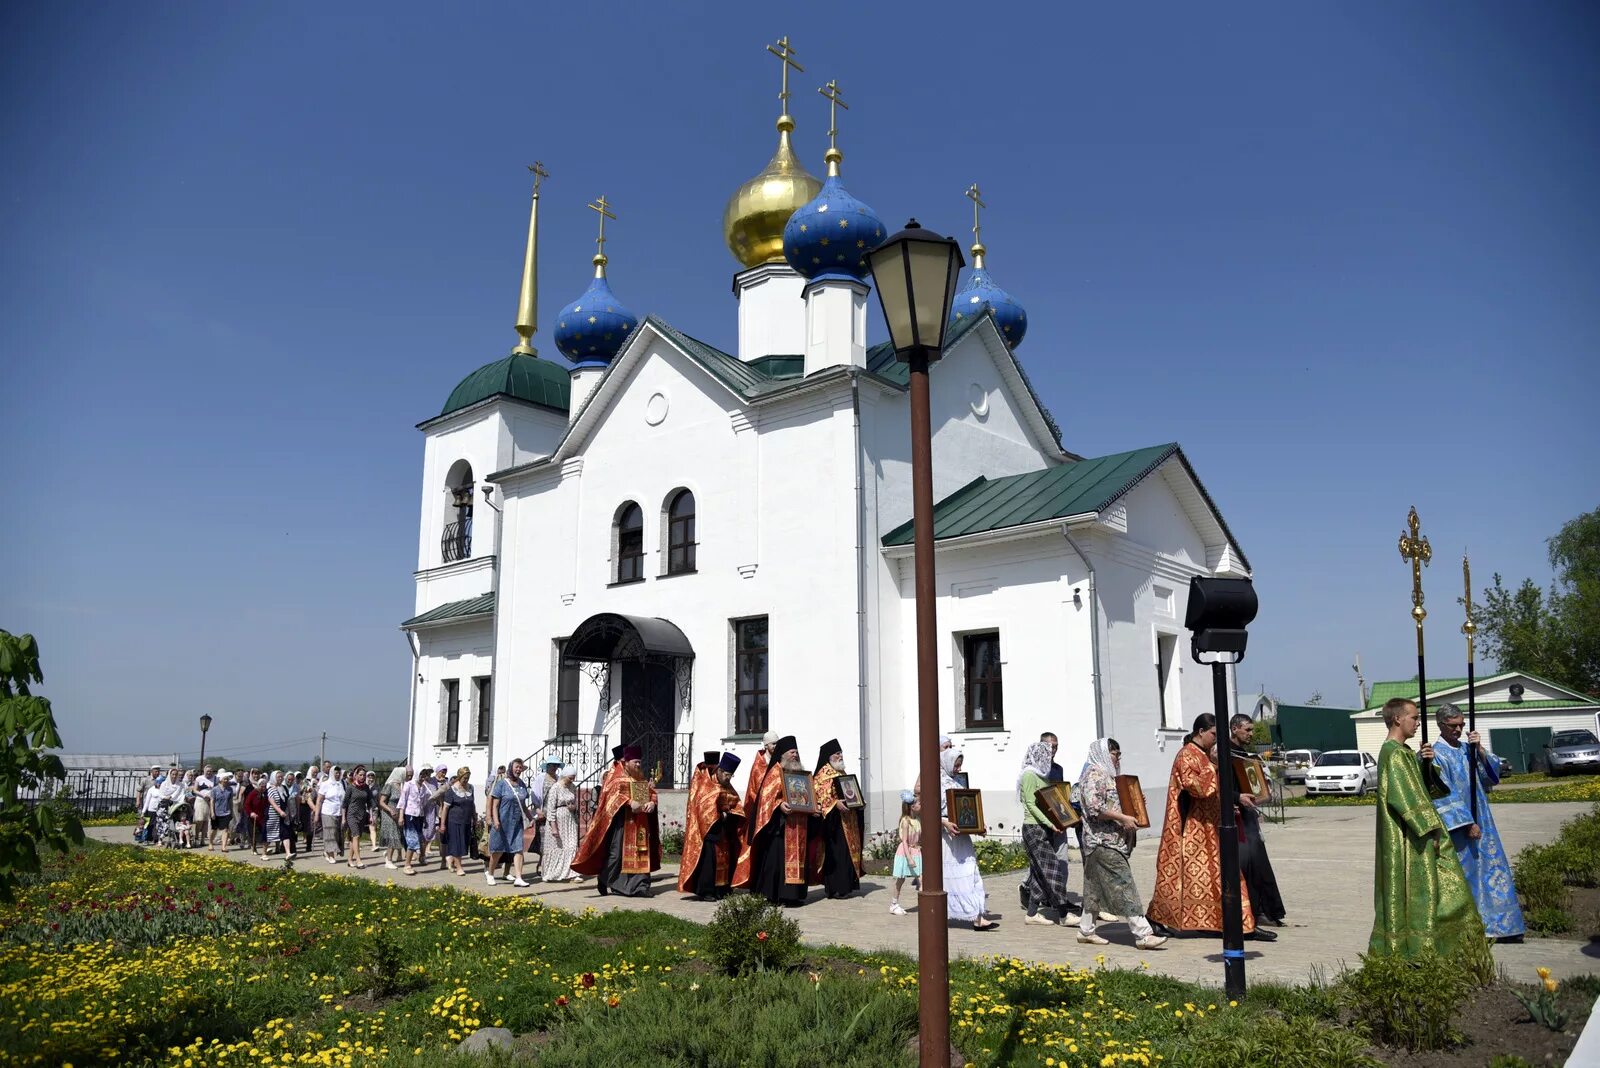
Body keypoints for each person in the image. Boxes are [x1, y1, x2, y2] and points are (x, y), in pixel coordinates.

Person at [1370, 698, 1485, 958]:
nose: (1418, 722)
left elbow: (1425, 788)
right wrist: (1432, 828)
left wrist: (1426, 765)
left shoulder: (1404, 752)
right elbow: (1403, 797)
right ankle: (1426, 946)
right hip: (1412, 837)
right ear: (1398, 719)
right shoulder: (1394, 753)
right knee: (1440, 890)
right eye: (1414, 717)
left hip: (1416, 834)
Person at [1147, 714, 1271, 941]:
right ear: (1201, 731)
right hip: (1192, 830)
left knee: (1224, 875)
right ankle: (1157, 919)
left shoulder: (1202, 755)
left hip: (1211, 828)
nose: (1215, 740)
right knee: (1186, 878)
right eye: (1213, 734)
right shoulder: (1186, 755)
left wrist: (1234, 799)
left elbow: (1216, 789)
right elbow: (1199, 790)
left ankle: (1243, 925)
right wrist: (1213, 765)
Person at [1429, 704, 1525, 941]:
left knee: (1492, 870)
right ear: (1441, 725)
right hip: (1462, 827)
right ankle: (1472, 926)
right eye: (1453, 726)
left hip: (1483, 819)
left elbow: (1490, 776)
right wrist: (1467, 823)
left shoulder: (1466, 749)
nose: (1459, 730)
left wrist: (1479, 749)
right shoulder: (1437, 754)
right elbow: (1443, 794)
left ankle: (1501, 925)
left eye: (1462, 724)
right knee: (1468, 873)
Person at [1074, 738, 1168, 949]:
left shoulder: (1109, 776)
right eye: (1114, 754)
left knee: (1094, 889)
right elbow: (1094, 808)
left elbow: (1116, 801)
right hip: (1102, 841)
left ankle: (1086, 931)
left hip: (1111, 841)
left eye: (1118, 754)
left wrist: (1135, 802)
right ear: (1104, 754)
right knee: (1124, 883)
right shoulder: (1093, 775)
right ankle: (1143, 934)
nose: (1117, 758)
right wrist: (1123, 818)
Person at [573, 745, 660, 897]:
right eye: (635, 762)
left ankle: (640, 887)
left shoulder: (639, 776)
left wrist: (651, 803)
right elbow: (612, 795)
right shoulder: (616, 776)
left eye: (640, 762)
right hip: (622, 823)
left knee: (640, 853)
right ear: (626, 762)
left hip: (640, 823)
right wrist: (628, 802)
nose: (638, 765)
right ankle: (605, 878)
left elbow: (649, 793)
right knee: (616, 855)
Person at [734, 736, 811, 906]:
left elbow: (807, 796)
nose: (795, 755)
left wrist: (813, 805)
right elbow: (765, 799)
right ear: (783, 754)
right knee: (778, 861)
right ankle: (776, 895)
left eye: (797, 752)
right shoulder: (775, 772)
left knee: (798, 861)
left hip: (799, 825)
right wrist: (779, 805)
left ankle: (794, 896)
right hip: (780, 826)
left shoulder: (800, 772)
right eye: (792, 752)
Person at [1225, 714, 1286, 927]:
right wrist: (1235, 798)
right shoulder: (1223, 753)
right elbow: (1218, 784)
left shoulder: (1244, 754)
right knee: (1245, 867)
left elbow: (1254, 785)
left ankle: (1265, 910)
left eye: (1251, 730)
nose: (1251, 734)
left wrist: (1261, 794)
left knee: (1259, 864)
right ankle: (1252, 912)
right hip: (1234, 818)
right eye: (1247, 730)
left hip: (1248, 816)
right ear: (1234, 729)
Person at [1019, 741, 1080, 926]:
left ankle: (1031, 914)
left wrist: (1061, 819)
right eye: (1046, 754)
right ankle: (1063, 914)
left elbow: (1050, 801)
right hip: (1033, 827)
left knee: (1039, 872)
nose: (1049, 757)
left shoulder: (1042, 775)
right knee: (1052, 868)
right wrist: (1049, 823)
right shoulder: (1029, 774)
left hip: (1045, 827)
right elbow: (1030, 804)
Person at [939, 749, 998, 930]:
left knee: (971, 873)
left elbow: (967, 810)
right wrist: (945, 823)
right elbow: (927, 811)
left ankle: (976, 915)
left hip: (961, 838)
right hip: (948, 840)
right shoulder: (936, 783)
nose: (958, 768)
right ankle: (968, 916)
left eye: (959, 765)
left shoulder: (954, 782)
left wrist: (978, 825)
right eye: (955, 765)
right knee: (954, 875)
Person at [679, 753, 745, 899]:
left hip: (724, 830)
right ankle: (707, 891)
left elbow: (735, 803)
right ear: (720, 771)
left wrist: (733, 813)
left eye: (731, 775)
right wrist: (721, 814)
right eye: (727, 774)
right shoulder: (708, 786)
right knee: (709, 862)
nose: (729, 778)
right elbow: (703, 808)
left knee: (726, 861)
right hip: (709, 832)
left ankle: (722, 889)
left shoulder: (727, 786)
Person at [809, 740, 863, 899]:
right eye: (837, 754)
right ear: (829, 756)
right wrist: (835, 803)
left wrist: (859, 802)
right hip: (833, 823)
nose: (840, 756)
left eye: (841, 753)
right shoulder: (823, 773)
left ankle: (846, 886)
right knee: (836, 853)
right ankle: (835, 887)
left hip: (848, 820)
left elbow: (851, 792)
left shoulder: (842, 772)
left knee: (846, 852)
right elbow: (820, 795)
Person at [486, 759, 532, 887]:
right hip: (502, 822)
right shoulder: (501, 784)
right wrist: (495, 820)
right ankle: (490, 873)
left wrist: (530, 817)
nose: (519, 770)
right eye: (517, 767)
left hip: (516, 822)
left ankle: (518, 877)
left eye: (520, 768)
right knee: (497, 850)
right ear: (511, 768)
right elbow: (495, 805)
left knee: (518, 849)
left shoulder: (522, 784)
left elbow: (523, 804)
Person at [541, 766, 582, 882]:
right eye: (570, 778)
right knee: (558, 846)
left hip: (570, 820)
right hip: (558, 821)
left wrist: (573, 807)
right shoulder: (555, 788)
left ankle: (573, 873)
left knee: (572, 845)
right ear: (564, 776)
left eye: (574, 778)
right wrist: (554, 827)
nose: (572, 780)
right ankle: (553, 872)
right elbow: (550, 808)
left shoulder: (573, 787)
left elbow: (575, 803)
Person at [889, 789, 922, 916]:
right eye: (919, 803)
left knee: (921, 878)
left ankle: (924, 904)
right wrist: (909, 858)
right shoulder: (906, 821)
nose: (920, 805)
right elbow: (904, 841)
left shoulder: (917, 820)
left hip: (916, 850)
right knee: (901, 879)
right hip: (906, 852)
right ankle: (894, 904)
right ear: (912, 807)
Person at [441, 768, 477, 876]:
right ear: (459, 777)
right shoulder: (451, 790)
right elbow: (445, 808)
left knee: (464, 843)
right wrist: (442, 824)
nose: (466, 780)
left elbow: (472, 803)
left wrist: (474, 816)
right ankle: (459, 867)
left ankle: (451, 858)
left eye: (468, 778)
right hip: (454, 821)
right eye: (464, 778)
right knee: (457, 844)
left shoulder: (470, 788)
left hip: (466, 821)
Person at [377, 764, 409, 870]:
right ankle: (388, 860)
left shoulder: (402, 785)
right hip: (389, 814)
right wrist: (390, 810)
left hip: (398, 814)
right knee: (393, 836)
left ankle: (388, 854)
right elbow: (381, 802)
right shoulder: (389, 785)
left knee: (397, 836)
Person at [742, 731, 779, 821]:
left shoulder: (779, 761)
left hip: (776, 804)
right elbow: (756, 787)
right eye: (773, 744)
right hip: (760, 805)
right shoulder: (759, 765)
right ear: (766, 745)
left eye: (777, 743)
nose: (776, 746)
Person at [343, 766, 375, 869]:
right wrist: (343, 818)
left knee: (354, 838)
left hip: (362, 815)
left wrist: (371, 816)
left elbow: (370, 803)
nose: (362, 777)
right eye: (360, 775)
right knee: (356, 836)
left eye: (364, 775)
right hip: (351, 815)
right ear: (356, 775)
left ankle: (349, 860)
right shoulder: (350, 787)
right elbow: (344, 804)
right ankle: (358, 860)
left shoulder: (366, 788)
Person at [315, 766, 347, 863]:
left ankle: (327, 851)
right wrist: (316, 815)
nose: (337, 774)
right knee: (330, 833)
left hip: (339, 812)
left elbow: (343, 800)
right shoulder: (325, 784)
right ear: (332, 773)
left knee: (338, 833)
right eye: (335, 773)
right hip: (328, 812)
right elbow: (319, 800)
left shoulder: (341, 784)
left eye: (339, 773)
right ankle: (331, 855)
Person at [264, 771, 292, 858]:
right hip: (273, 816)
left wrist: (288, 812)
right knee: (270, 834)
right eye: (278, 777)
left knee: (285, 833)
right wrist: (280, 811)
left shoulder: (283, 788)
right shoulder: (270, 789)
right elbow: (272, 802)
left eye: (281, 777)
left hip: (283, 816)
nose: (280, 778)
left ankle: (288, 853)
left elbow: (287, 801)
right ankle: (263, 853)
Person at [210, 772, 235, 850]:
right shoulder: (214, 789)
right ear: (220, 780)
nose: (226, 780)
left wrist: (231, 811)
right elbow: (212, 801)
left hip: (226, 812)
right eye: (225, 779)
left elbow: (230, 801)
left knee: (225, 829)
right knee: (214, 829)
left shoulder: (229, 789)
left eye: (227, 779)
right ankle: (210, 843)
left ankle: (223, 846)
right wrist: (212, 812)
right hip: (216, 812)